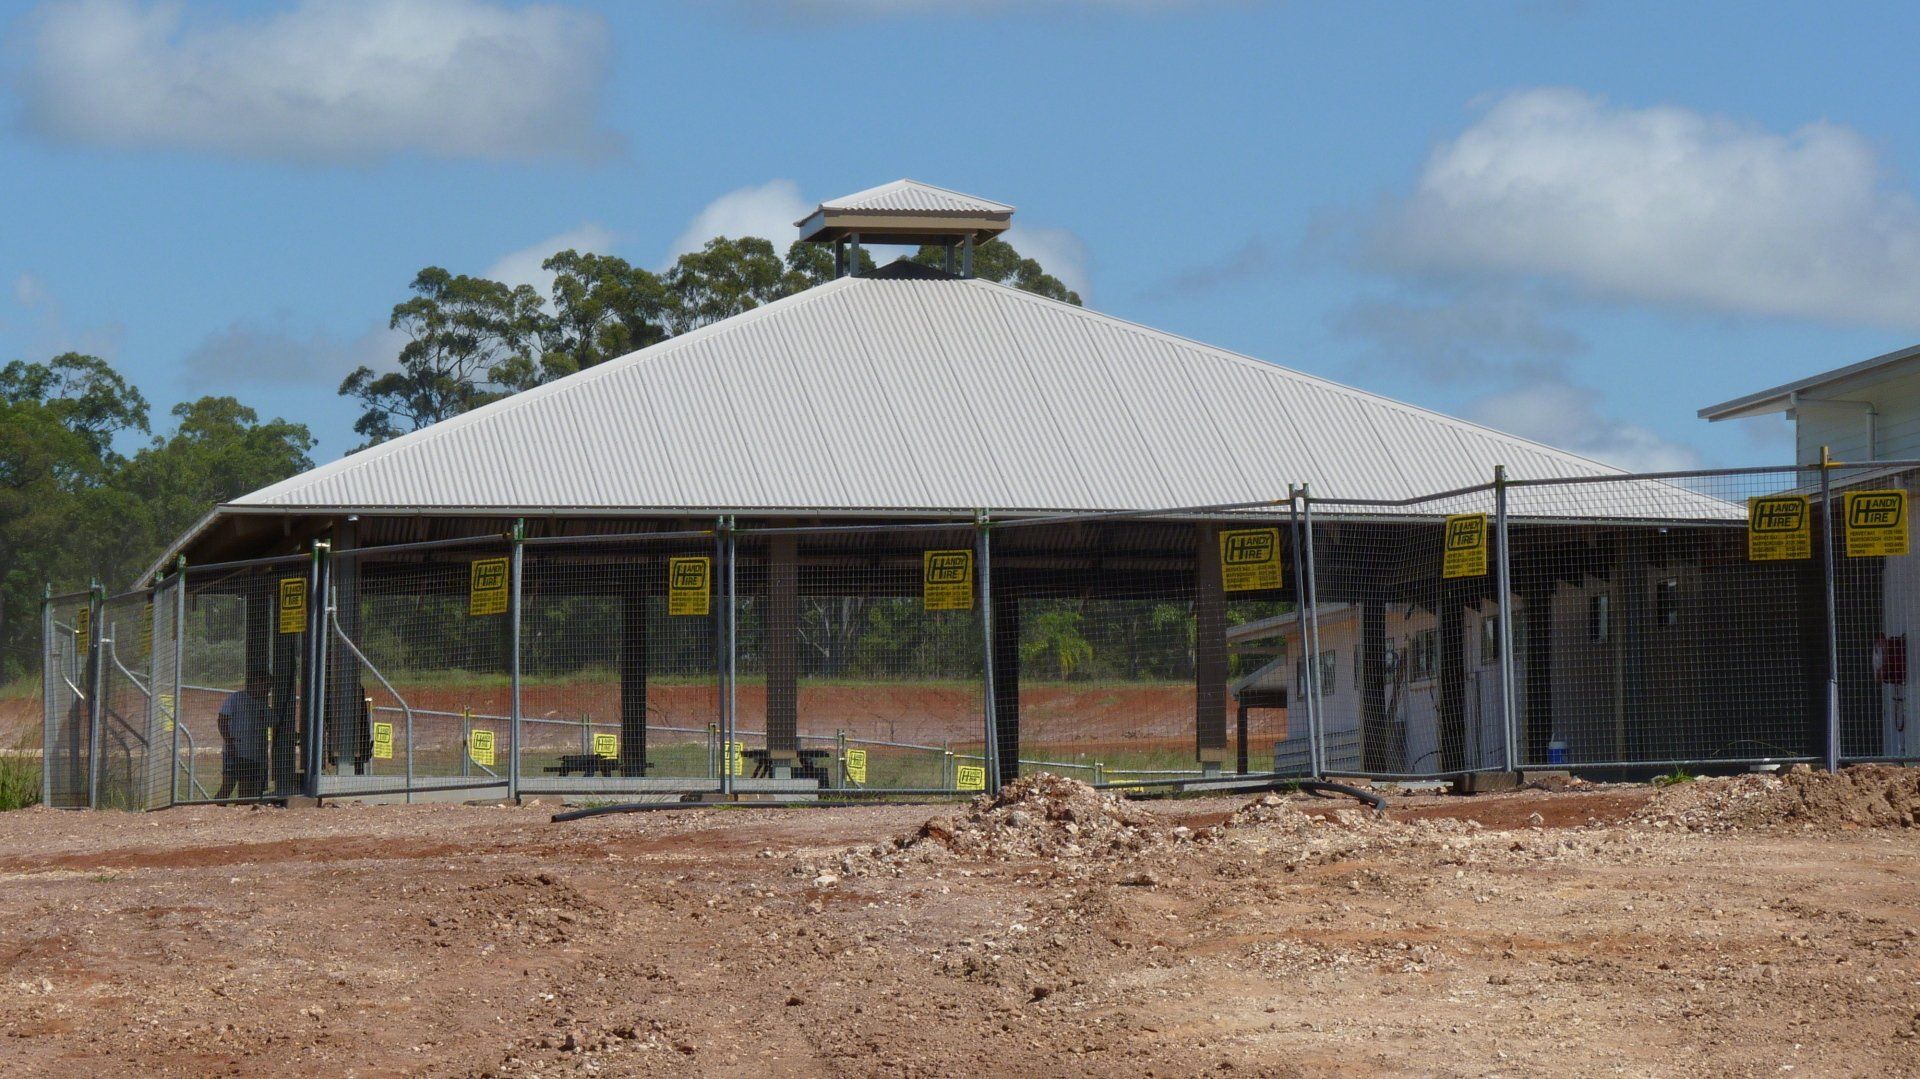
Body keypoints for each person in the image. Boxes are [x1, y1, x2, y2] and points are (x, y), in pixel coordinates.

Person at [215, 672, 272, 800]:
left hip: (253, 755)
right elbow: (222, 719)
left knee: (246, 792)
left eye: (269, 687)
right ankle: (215, 810)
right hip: (235, 751)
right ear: (257, 682)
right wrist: (229, 742)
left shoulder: (262, 705)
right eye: (266, 686)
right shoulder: (236, 698)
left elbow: (274, 722)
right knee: (227, 787)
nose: (267, 690)